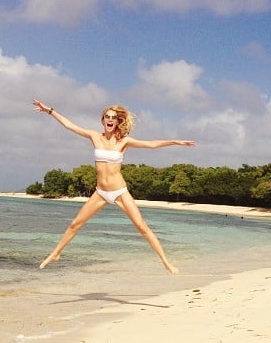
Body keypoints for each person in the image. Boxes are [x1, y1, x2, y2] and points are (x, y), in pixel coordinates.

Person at [32, 99, 195, 274]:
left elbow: (151, 145)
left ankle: (166, 262)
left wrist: (176, 142)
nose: (110, 120)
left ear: (118, 122)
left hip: (119, 192)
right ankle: (56, 253)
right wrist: (49, 110)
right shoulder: (94, 136)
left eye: (114, 117)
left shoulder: (124, 141)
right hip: (100, 192)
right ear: (103, 121)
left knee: (141, 227)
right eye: (107, 117)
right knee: (75, 224)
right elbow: (69, 126)